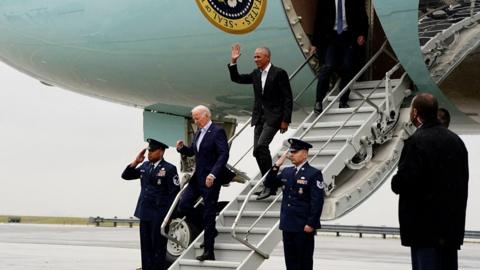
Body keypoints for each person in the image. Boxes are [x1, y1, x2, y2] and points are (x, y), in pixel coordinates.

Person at [392, 93, 469, 270]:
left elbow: (402, 183)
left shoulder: (416, 142)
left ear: (415, 113)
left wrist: (396, 181)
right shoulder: (457, 142)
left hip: (423, 231)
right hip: (450, 230)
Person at [228, 43, 293, 199]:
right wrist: (233, 62)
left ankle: (270, 185)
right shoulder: (256, 74)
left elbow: (287, 98)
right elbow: (236, 78)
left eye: (258, 56)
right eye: (254, 56)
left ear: (267, 57)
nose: (255, 59)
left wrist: (285, 120)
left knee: (262, 146)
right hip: (259, 117)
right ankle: (270, 182)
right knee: (257, 152)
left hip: (274, 117)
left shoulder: (279, 73)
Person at [261, 138, 324, 270]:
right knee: (291, 263)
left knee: (304, 262)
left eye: (295, 152)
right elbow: (268, 183)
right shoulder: (287, 171)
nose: (291, 155)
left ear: (305, 154)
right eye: (291, 152)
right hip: (288, 224)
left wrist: (311, 223)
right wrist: (277, 165)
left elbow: (317, 201)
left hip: (303, 226)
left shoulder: (313, 174)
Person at [176, 105, 229, 261]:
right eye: (194, 117)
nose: (195, 120)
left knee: (209, 213)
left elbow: (223, 154)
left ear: (206, 116)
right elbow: (193, 150)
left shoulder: (217, 131)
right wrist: (182, 149)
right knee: (183, 205)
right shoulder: (199, 132)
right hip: (197, 178)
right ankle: (209, 230)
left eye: (197, 117)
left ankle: (209, 252)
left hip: (210, 179)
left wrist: (213, 173)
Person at [121, 138, 180, 270]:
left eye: (152, 151)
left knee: (158, 247)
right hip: (145, 212)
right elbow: (125, 175)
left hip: (159, 214)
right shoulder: (145, 166)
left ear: (160, 152)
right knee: (146, 247)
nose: (149, 153)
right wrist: (136, 161)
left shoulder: (169, 169)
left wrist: (170, 216)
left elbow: (175, 194)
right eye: (149, 150)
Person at [311, 0, 369, 113]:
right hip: (331, 38)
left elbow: (363, 16)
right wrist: (314, 43)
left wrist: (362, 34)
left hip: (349, 37)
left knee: (347, 68)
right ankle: (318, 101)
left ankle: (343, 101)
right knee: (328, 67)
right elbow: (318, 21)